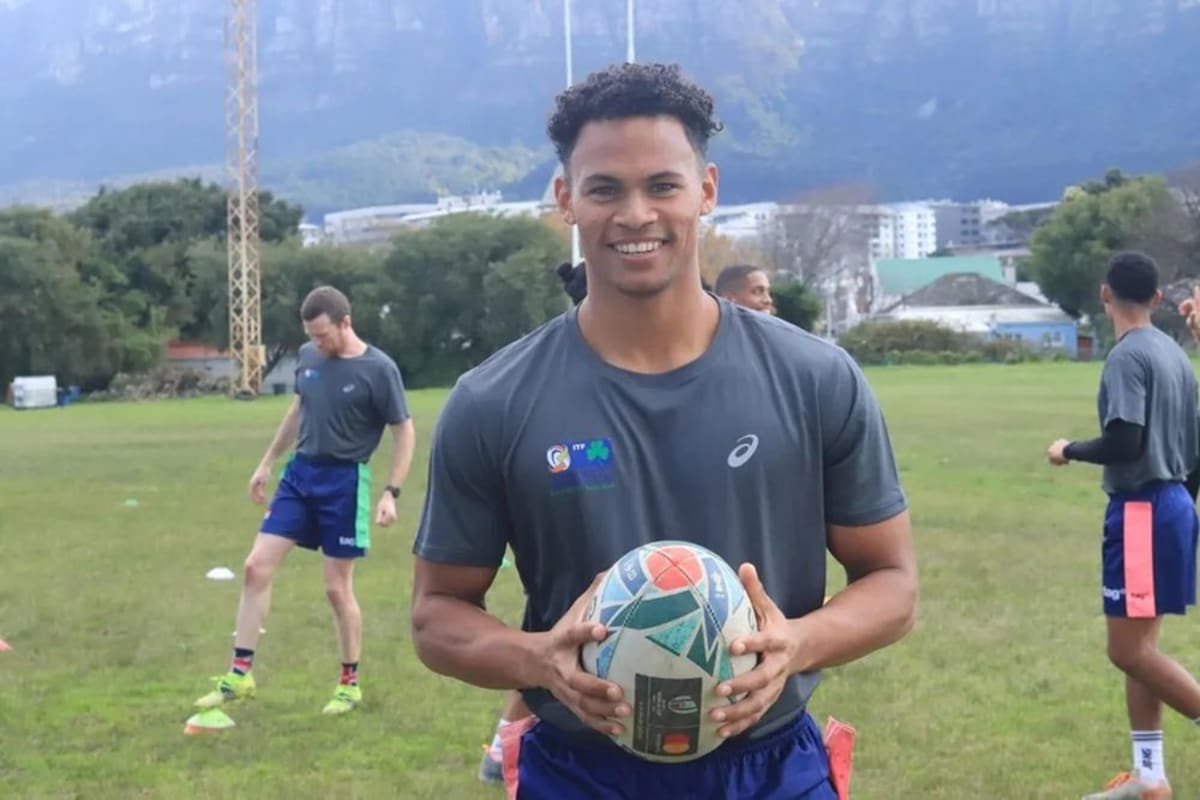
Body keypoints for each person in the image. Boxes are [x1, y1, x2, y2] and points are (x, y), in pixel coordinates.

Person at [415, 62, 916, 798]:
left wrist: (796, 643)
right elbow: (436, 615)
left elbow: (893, 583)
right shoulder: (493, 400)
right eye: (605, 188)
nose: (635, 215)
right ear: (566, 200)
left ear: (706, 190)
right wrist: (538, 659)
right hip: (580, 773)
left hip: (772, 768)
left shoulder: (815, 378)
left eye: (663, 185)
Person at [193, 285, 415, 715]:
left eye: (323, 335)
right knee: (255, 568)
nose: (316, 344)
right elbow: (298, 410)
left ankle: (349, 683)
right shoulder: (310, 358)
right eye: (311, 337)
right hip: (299, 476)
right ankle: (239, 676)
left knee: (336, 588)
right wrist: (266, 463)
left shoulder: (378, 369)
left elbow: (403, 430)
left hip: (345, 482)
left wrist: (391, 491)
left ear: (346, 323)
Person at [1046, 252, 1200, 799]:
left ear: (1104, 293)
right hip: (1176, 502)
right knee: (1143, 651)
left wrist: (1068, 450)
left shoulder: (1128, 356)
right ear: (1158, 299)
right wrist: (1181, 507)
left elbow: (1125, 440)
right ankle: (1150, 778)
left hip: (1142, 510)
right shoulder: (1175, 355)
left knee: (1128, 652)